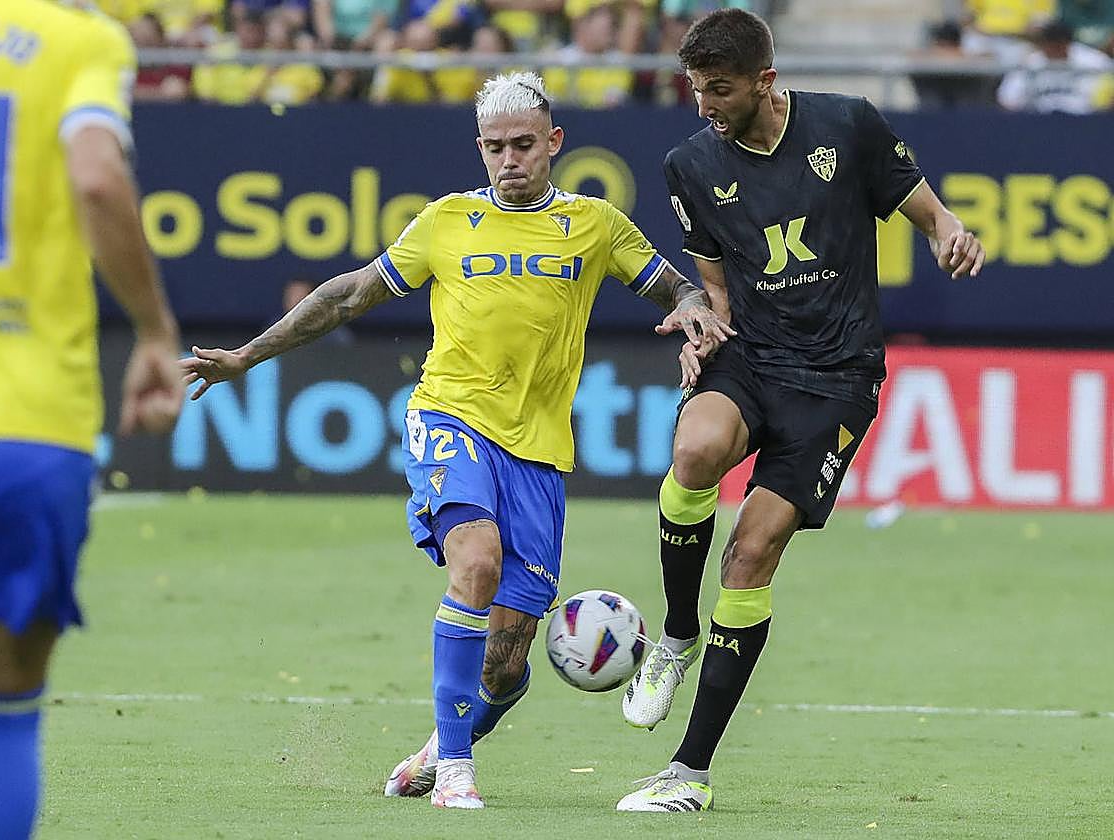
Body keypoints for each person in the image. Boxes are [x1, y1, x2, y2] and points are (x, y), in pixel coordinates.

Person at [179, 71, 733, 810]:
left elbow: (670, 284)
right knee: (475, 561)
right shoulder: (445, 221)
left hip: (537, 451)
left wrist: (694, 307)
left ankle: (443, 745)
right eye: (496, 147)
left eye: (524, 145)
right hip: (450, 416)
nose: (510, 159)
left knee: (505, 666)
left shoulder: (595, 224)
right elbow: (349, 293)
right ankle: (460, 773)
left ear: (554, 143)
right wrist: (247, 355)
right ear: (480, 149)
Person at [616, 9, 985, 812]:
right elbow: (714, 285)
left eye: (719, 89)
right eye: (696, 89)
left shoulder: (846, 126)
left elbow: (927, 208)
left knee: (750, 555)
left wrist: (950, 232)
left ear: (765, 81)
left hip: (838, 378)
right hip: (752, 355)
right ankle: (676, 634)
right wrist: (701, 328)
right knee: (694, 453)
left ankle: (690, 773)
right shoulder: (689, 163)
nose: (704, 104)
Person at [0, 1, 185, 837]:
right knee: (5, 720)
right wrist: (152, 328)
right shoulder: (83, 41)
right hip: (37, 429)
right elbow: (98, 175)